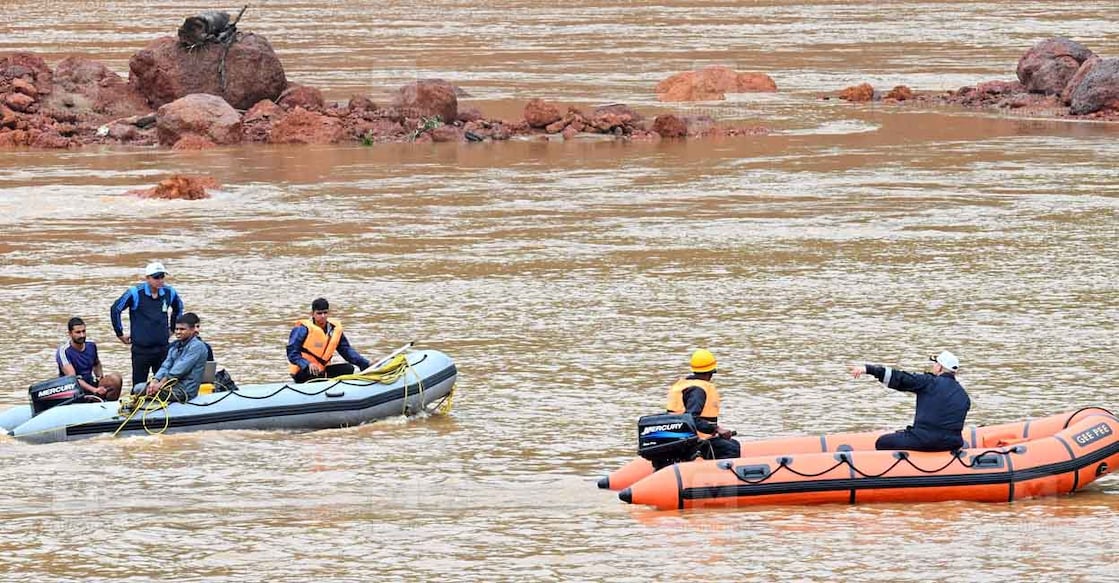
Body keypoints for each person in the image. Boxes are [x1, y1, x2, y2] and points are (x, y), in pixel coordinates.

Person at [850, 350, 972, 452]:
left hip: (924, 440)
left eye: (935, 364)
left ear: (940, 367)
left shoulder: (929, 382)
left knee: (882, 442)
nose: (933, 366)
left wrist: (869, 369)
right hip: (951, 444)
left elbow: (901, 378)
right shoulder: (963, 396)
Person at [110, 261, 184, 387]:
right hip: (141, 350)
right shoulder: (134, 293)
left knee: (164, 385)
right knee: (139, 386)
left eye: (162, 276)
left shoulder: (169, 292)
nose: (160, 280)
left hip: (162, 348)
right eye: (156, 277)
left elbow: (179, 308)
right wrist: (120, 334)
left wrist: (172, 328)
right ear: (147, 278)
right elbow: (115, 309)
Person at [665, 349, 741, 459]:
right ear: (710, 372)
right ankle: (718, 474)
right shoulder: (697, 390)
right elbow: (691, 418)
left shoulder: (685, 384)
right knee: (731, 447)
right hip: (692, 441)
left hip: (680, 438)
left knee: (730, 444)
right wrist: (717, 429)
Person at [287, 298, 371, 383]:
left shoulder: (334, 329)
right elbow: (292, 353)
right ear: (312, 314)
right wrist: (307, 364)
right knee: (314, 373)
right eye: (319, 313)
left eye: (325, 313)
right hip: (303, 370)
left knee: (348, 368)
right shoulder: (302, 329)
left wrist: (365, 363)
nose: (323, 316)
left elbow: (346, 351)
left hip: (323, 370)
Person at [137, 312, 209, 402]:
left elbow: (179, 370)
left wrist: (161, 384)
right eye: (177, 329)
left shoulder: (197, 346)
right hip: (170, 386)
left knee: (139, 389)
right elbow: (166, 366)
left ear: (192, 330)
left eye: (182, 329)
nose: (178, 332)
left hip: (184, 391)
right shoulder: (175, 346)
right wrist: (154, 381)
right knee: (138, 388)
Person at [56, 317, 103, 396]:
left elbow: (97, 364)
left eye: (84, 331)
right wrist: (94, 390)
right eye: (78, 332)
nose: (82, 335)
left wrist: (100, 378)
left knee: (115, 379)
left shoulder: (91, 345)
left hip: (90, 382)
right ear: (70, 333)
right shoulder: (64, 351)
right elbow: (72, 378)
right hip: (72, 389)